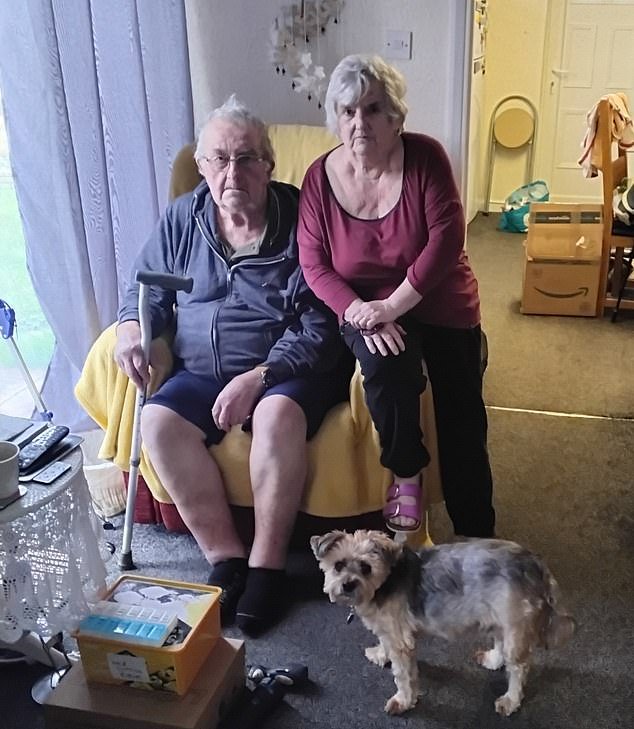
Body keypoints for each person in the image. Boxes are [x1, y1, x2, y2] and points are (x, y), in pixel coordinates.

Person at [115, 95, 349, 635]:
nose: (232, 173)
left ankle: (267, 566)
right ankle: (226, 559)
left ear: (268, 164)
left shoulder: (302, 220)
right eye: (219, 159)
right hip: (199, 368)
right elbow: (145, 288)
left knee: (275, 415)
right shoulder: (184, 217)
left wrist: (260, 376)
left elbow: (320, 322)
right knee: (158, 422)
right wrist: (130, 327)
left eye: (246, 158)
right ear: (202, 166)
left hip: (286, 368)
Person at [297, 55, 495, 538]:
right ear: (336, 119)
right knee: (388, 370)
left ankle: (477, 536)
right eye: (347, 111)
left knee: (462, 412)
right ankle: (406, 473)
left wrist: (394, 305)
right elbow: (313, 263)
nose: (359, 122)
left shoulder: (426, 157)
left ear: (395, 116)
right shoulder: (319, 179)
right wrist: (362, 312)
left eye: (372, 109)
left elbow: (446, 239)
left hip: (439, 298)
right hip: (363, 305)